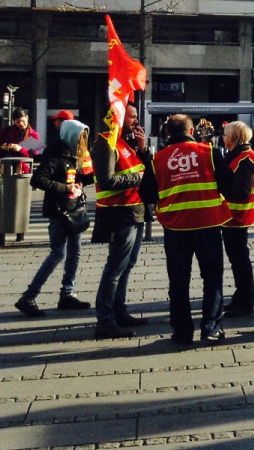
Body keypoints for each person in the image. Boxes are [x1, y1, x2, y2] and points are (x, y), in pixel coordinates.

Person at [139, 114, 233, 345]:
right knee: (212, 278)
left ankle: (182, 331)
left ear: (167, 132)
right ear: (192, 129)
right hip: (208, 224)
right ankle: (211, 327)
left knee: (179, 281)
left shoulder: (158, 159)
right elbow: (229, 185)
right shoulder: (208, 152)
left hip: (176, 227)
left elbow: (147, 194)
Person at [15, 119, 95, 317]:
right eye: (80, 137)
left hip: (74, 209)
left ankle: (67, 293)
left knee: (75, 253)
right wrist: (64, 188)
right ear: (70, 136)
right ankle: (29, 296)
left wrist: (90, 171)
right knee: (58, 253)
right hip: (59, 211)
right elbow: (38, 179)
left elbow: (84, 179)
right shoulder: (56, 154)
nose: (82, 141)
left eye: (84, 137)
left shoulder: (77, 155)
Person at [90, 104, 150, 339]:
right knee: (115, 268)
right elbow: (106, 181)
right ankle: (104, 320)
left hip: (134, 211)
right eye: (132, 117)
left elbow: (144, 167)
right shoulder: (106, 143)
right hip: (118, 213)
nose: (136, 121)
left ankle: (119, 311)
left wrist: (143, 149)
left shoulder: (126, 143)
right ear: (118, 117)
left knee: (127, 264)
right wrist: (138, 177)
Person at [221, 121, 254, 318]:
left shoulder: (245, 158)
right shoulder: (240, 155)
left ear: (234, 138)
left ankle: (245, 303)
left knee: (240, 261)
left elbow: (242, 191)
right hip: (232, 216)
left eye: (226, 134)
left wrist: (220, 190)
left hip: (237, 216)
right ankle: (240, 298)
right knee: (237, 260)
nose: (223, 137)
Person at [0, 107, 44, 237]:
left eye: (22, 120)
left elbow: (34, 154)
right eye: (17, 121)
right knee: (1, 202)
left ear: (27, 118)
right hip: (6, 171)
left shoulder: (33, 134)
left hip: (22, 173)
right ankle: (1, 231)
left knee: (22, 201)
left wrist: (21, 149)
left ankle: (20, 231)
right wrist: (4, 147)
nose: (20, 124)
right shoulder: (7, 131)